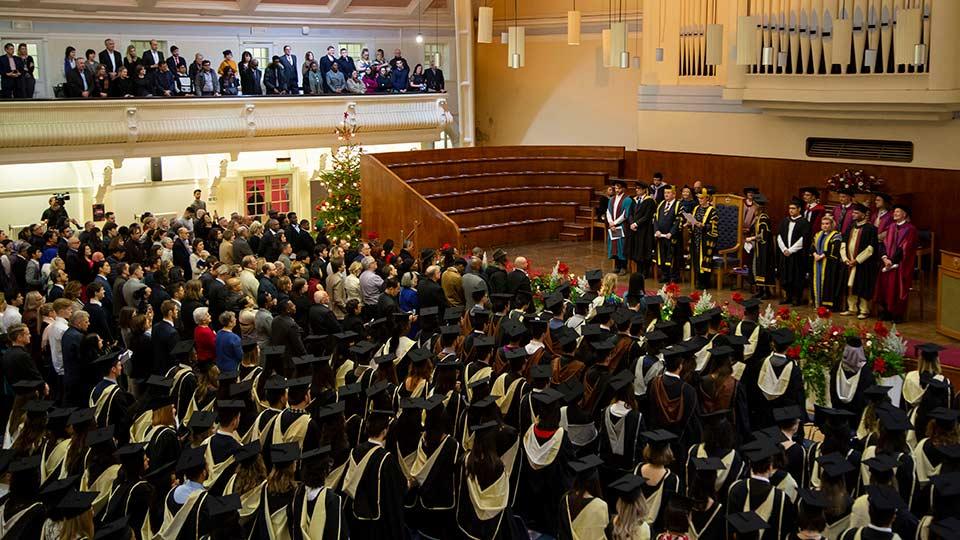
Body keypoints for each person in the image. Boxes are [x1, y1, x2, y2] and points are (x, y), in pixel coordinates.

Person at [874, 205, 918, 323]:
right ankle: (886, 311)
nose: (895, 213)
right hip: (887, 262)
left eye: (898, 212)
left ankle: (897, 314)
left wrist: (892, 261)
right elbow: (883, 244)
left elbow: (905, 248)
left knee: (896, 285)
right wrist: (884, 258)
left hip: (901, 265)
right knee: (884, 283)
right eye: (894, 212)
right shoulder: (891, 227)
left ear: (904, 214)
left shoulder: (910, 229)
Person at [840, 203, 880, 319]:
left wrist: (857, 260)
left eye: (856, 213)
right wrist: (845, 258)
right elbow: (843, 242)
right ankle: (851, 308)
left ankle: (864, 310)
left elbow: (871, 248)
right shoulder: (850, 226)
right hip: (849, 261)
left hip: (863, 264)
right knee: (850, 286)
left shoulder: (871, 229)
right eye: (853, 212)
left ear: (864, 214)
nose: (854, 214)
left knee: (862, 286)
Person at [776, 198, 811, 305]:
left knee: (796, 276)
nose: (791, 210)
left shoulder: (804, 222)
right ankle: (788, 297)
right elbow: (779, 236)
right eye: (790, 208)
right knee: (785, 275)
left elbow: (803, 239)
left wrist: (791, 250)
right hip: (785, 253)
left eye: (793, 208)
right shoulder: (785, 221)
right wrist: (784, 249)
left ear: (799, 209)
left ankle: (797, 298)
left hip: (797, 254)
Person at [810, 214, 844, 309]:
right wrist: (815, 254)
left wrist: (822, 256)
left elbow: (834, 248)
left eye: (827, 224)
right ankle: (817, 303)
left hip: (829, 264)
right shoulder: (818, 234)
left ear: (832, 224)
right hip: (817, 263)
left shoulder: (836, 235)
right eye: (823, 224)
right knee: (816, 281)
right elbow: (812, 246)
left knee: (827, 283)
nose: (825, 225)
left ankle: (826, 305)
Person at [690, 186, 719, 290]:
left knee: (704, 260)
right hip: (696, 238)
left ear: (707, 198)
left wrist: (703, 226)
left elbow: (714, 227)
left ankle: (705, 282)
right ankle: (699, 280)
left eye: (702, 198)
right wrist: (690, 223)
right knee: (696, 259)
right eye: (698, 198)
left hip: (706, 240)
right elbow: (693, 221)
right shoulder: (696, 208)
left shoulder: (712, 211)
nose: (700, 200)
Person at [627, 181, 656, 279]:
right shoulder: (634, 200)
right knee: (636, 250)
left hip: (645, 230)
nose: (636, 190)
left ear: (644, 190)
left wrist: (636, 223)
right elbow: (630, 213)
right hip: (634, 230)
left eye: (639, 188)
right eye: (636, 188)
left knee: (643, 250)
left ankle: (645, 272)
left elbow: (647, 216)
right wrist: (631, 223)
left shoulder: (649, 201)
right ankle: (638, 271)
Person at [654, 184, 682, 283]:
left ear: (674, 194)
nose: (666, 194)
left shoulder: (679, 205)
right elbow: (656, 219)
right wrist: (656, 230)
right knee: (662, 255)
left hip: (672, 237)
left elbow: (679, 221)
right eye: (665, 192)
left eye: (668, 193)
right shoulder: (661, 204)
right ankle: (665, 275)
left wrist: (671, 232)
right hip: (661, 236)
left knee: (673, 256)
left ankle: (674, 276)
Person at [606, 180, 634, 275]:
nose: (617, 190)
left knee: (622, 246)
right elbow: (608, 211)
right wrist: (610, 222)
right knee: (614, 246)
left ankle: (623, 267)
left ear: (623, 189)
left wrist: (615, 223)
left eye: (619, 188)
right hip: (613, 226)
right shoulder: (611, 199)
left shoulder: (627, 200)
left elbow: (625, 214)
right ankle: (617, 266)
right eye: (616, 188)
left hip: (621, 226)